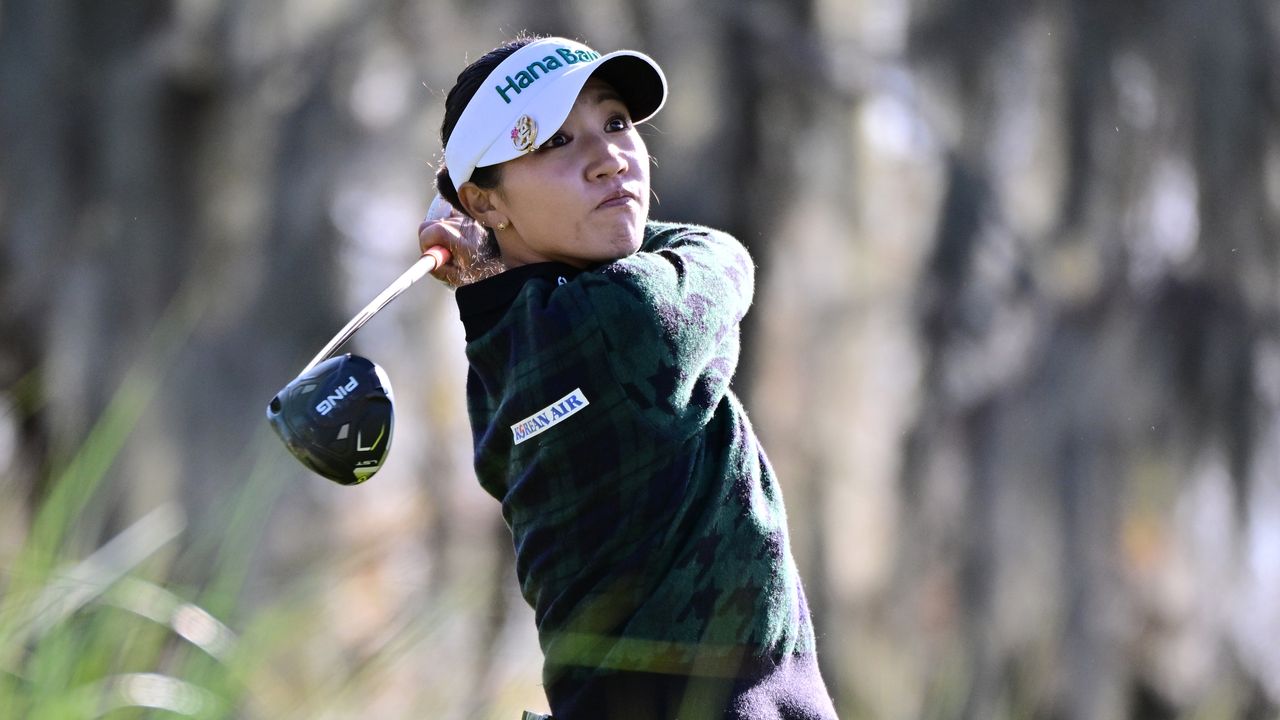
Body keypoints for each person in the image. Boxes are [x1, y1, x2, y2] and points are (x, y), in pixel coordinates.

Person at [418, 34, 838, 720]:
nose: (609, 159)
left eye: (615, 124)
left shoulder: (497, 358)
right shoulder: (626, 319)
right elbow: (724, 258)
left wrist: (487, 261)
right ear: (485, 202)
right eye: (555, 142)